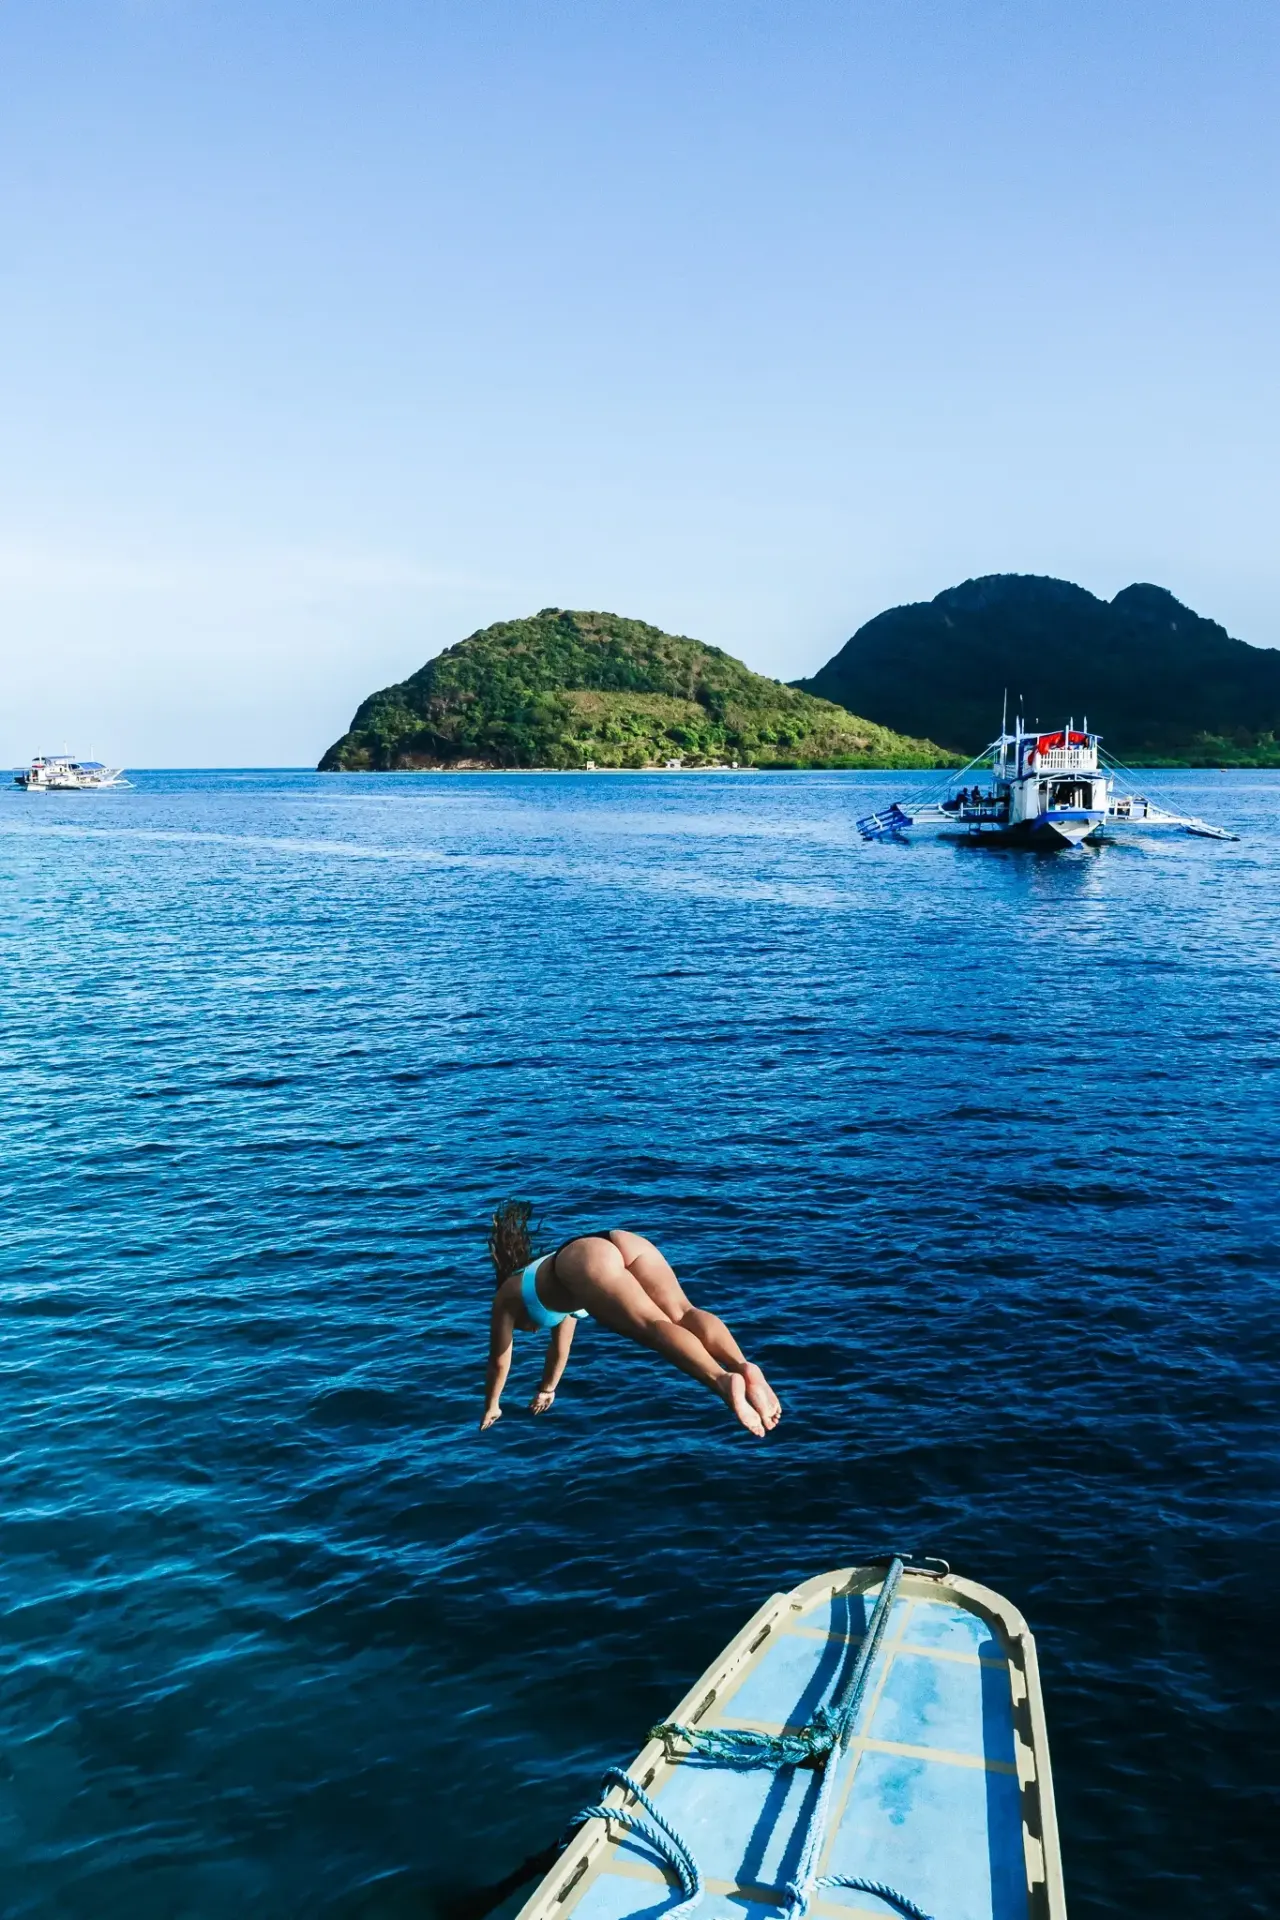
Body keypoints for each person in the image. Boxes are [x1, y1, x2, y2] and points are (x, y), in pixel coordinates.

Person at [480, 1203, 782, 1437]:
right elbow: (560, 1351)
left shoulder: (505, 1298)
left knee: (654, 1327)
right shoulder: (555, 1296)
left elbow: (499, 1360)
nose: (530, 1331)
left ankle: (723, 1381)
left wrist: (493, 1405)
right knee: (683, 1312)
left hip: (583, 1261)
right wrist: (548, 1389)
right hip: (616, 1240)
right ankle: (743, 1365)